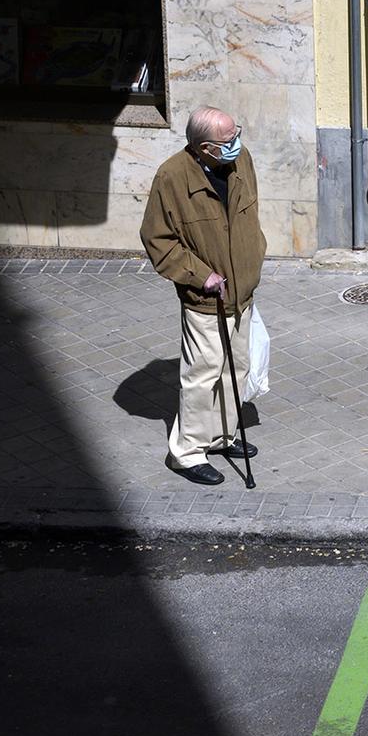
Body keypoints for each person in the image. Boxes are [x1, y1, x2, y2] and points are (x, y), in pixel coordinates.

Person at [140, 106, 268, 486]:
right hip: (206, 296)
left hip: (242, 291)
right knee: (202, 373)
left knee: (236, 367)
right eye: (228, 140)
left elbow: (249, 215)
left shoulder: (241, 159)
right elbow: (158, 240)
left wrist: (255, 254)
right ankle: (187, 452)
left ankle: (222, 435)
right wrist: (200, 275)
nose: (237, 144)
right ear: (205, 147)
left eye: (236, 134)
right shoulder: (172, 177)